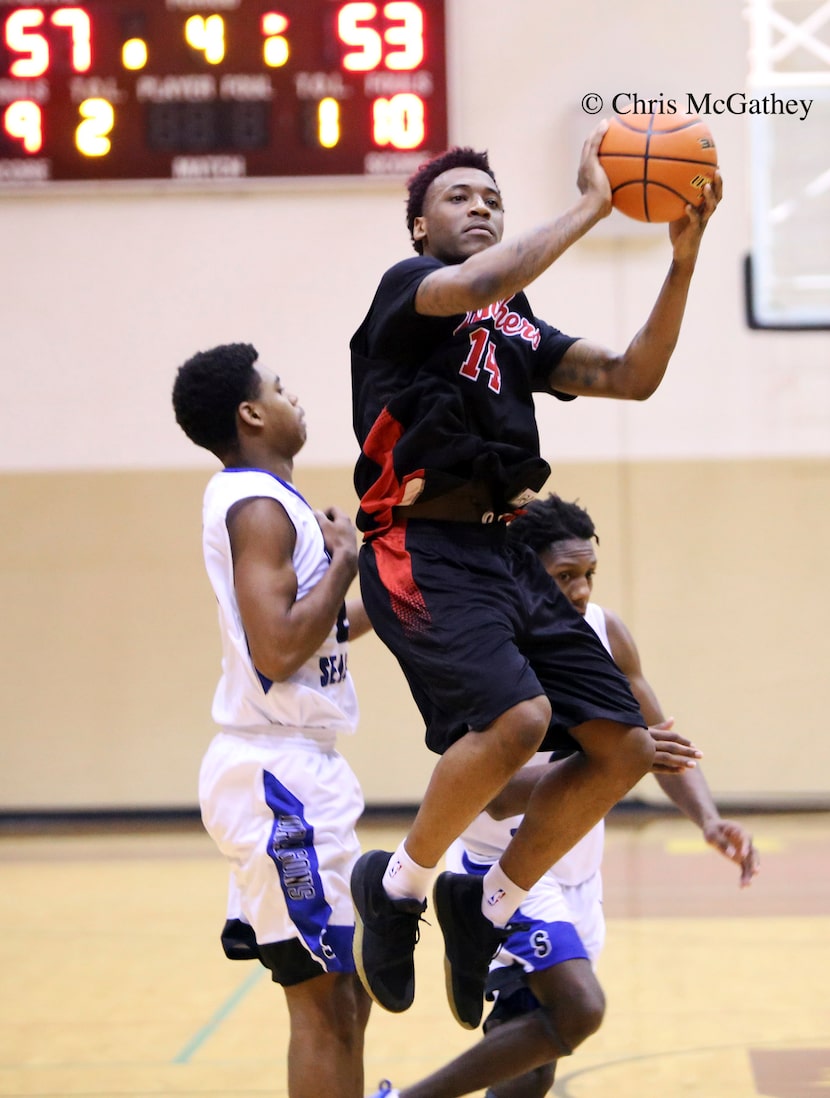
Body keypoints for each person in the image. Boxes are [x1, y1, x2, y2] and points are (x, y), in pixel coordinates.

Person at [349, 123, 723, 1035]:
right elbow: (480, 282)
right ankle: (397, 886)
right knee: (519, 722)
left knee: (624, 744)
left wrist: (684, 256)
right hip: (422, 543)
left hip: (506, 549)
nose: (480, 207)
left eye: (492, 198)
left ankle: (494, 904)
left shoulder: (516, 323)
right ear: (419, 228)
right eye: (459, 197)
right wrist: (596, 204)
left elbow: (631, 375)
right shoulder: (411, 293)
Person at [367, 494, 759, 1098]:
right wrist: (610, 760)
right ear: (525, 575)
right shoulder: (497, 646)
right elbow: (493, 798)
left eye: (588, 575)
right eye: (564, 577)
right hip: (501, 868)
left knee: (534, 1066)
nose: (579, 592)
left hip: (577, 876)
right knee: (579, 1008)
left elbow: (662, 744)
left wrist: (707, 819)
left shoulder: (606, 633)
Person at [171, 342, 372, 1098]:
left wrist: (388, 578)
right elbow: (281, 645)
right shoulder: (255, 503)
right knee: (322, 1007)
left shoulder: (269, 502)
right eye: (279, 387)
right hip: (276, 776)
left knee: (347, 998)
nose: (295, 397)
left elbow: (323, 631)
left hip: (299, 768)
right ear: (252, 413)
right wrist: (347, 564)